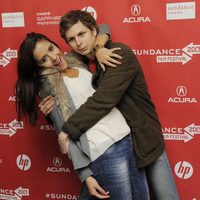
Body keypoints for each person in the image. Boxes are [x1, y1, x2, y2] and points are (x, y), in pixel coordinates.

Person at [51, 10, 179, 200]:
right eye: (71, 39)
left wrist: (68, 129)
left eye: (82, 34)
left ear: (93, 31)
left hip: (145, 141)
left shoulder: (119, 55)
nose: (78, 43)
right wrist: (49, 109)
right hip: (124, 146)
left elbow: (104, 99)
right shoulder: (83, 62)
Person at [15, 32, 150, 200]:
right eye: (44, 59)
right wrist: (85, 175)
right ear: (38, 66)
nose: (54, 57)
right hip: (103, 151)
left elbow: (102, 30)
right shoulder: (49, 85)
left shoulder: (77, 61)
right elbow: (64, 132)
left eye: (51, 48)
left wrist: (99, 49)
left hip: (127, 139)